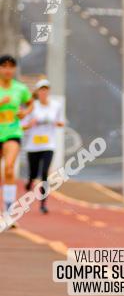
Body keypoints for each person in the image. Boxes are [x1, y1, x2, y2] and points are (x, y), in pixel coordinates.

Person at [0, 55, 33, 229]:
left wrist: (25, 113)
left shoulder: (20, 89)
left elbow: (30, 103)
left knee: (9, 168)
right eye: (3, 66)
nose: (7, 70)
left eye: (11, 66)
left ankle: (9, 213)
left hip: (12, 132)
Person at [22, 78, 64, 214]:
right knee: (33, 174)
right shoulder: (32, 106)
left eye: (46, 89)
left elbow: (61, 122)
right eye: (41, 89)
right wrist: (30, 124)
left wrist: (57, 123)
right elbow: (22, 126)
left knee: (44, 173)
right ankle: (29, 182)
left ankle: (43, 204)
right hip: (33, 146)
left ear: (49, 91)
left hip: (48, 144)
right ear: (38, 92)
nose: (44, 92)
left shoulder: (56, 106)